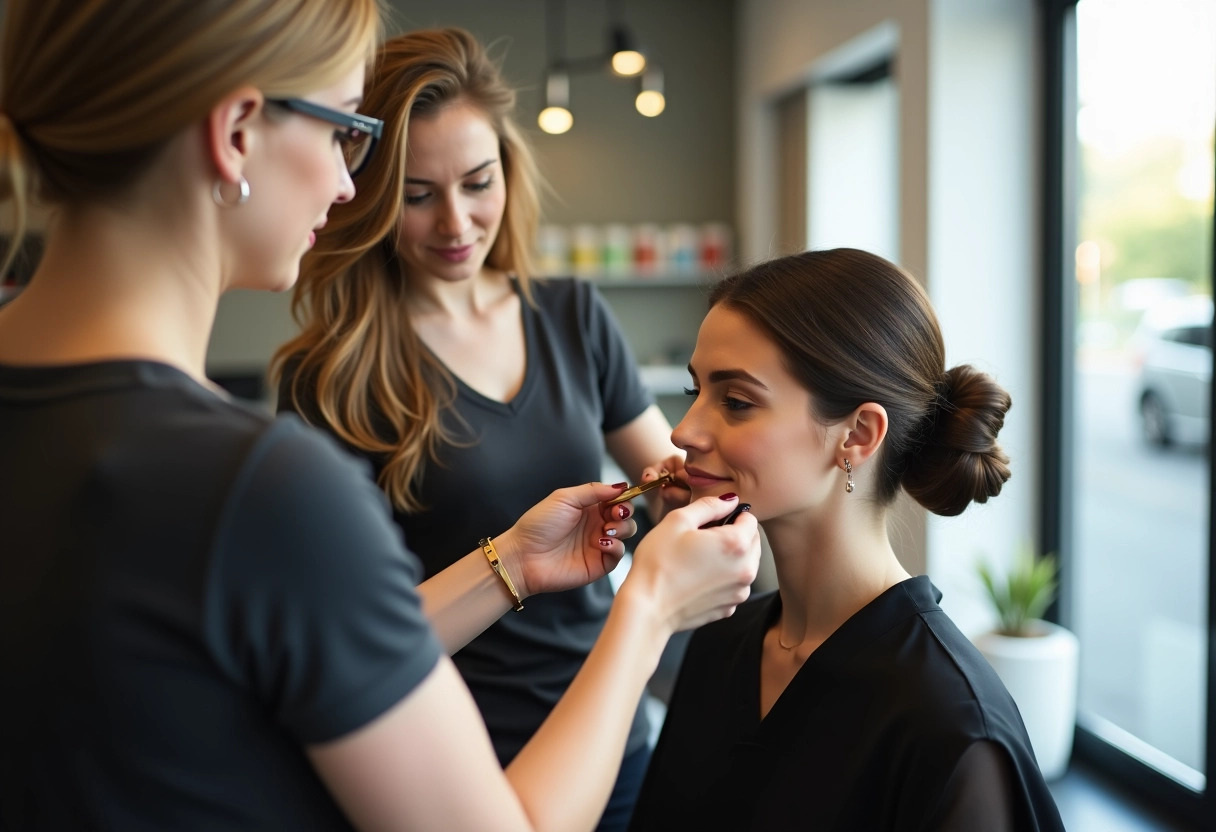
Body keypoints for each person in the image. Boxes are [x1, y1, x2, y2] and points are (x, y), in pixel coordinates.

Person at [0, 2, 763, 830]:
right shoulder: (262, 486)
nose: (342, 182)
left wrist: (513, 557)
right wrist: (647, 610)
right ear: (237, 132)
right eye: (342, 133)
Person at [272, 28, 685, 829]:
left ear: (509, 169)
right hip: (452, 767)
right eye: (419, 194)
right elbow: (349, 641)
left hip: (608, 735)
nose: (456, 222)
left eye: (478, 182)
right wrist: (511, 568)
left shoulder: (572, 316)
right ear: (372, 191)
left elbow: (666, 472)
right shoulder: (329, 376)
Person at [628, 249, 1066, 831]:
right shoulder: (721, 641)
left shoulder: (951, 724)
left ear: (858, 435)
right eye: (696, 393)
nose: (684, 431)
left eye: (735, 402)